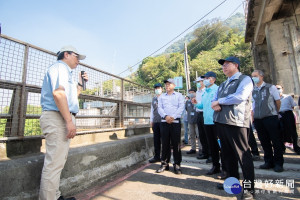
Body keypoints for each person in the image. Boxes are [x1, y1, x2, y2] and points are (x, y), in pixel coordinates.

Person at [39, 45, 88, 200]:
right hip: (57, 117)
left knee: (57, 163)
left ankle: (55, 196)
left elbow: (72, 98)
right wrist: (69, 121)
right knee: (54, 165)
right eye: (76, 56)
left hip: (60, 117)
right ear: (66, 54)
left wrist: (80, 83)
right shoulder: (60, 67)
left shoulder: (67, 72)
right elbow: (58, 94)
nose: (78, 61)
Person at [212, 56, 255, 199]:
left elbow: (240, 96)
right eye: (222, 65)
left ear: (236, 65)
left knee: (243, 155)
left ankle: (249, 189)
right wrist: (216, 102)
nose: (223, 67)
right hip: (221, 122)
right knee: (228, 156)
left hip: (236, 122)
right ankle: (233, 184)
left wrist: (220, 101)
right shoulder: (223, 83)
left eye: (227, 64)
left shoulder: (245, 79)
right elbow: (214, 99)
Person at [252, 70, 284, 173]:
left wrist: (275, 112)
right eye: (252, 76)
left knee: (276, 140)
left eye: (255, 76)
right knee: (264, 141)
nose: (254, 78)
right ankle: (268, 161)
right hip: (258, 118)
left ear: (261, 76)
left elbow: (277, 101)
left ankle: (278, 163)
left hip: (270, 117)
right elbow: (253, 104)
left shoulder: (270, 87)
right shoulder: (253, 89)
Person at [193, 71, 224, 176]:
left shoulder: (218, 89)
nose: (205, 80)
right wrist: (196, 104)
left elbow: (221, 103)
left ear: (213, 79)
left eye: (207, 78)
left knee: (222, 146)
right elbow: (202, 106)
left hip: (217, 121)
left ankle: (225, 168)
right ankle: (215, 166)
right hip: (207, 121)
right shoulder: (205, 91)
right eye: (205, 78)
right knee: (212, 145)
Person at [156, 79, 185, 174]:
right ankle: (164, 164)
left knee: (176, 144)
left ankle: (177, 165)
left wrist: (173, 117)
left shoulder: (179, 95)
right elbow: (159, 108)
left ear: (174, 85)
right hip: (164, 122)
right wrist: (166, 116)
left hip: (175, 122)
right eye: (166, 84)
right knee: (164, 144)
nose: (167, 85)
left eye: (169, 84)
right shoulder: (161, 97)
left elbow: (181, 107)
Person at [276, 84, 300, 155]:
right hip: (278, 115)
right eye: (276, 89)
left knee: (292, 131)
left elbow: (293, 106)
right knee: (280, 132)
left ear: (282, 89)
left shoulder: (288, 97)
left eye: (279, 88)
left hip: (288, 114)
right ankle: (282, 148)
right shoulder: (273, 98)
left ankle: (296, 147)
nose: (277, 90)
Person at [194, 77, 211, 163]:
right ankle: (205, 152)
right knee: (201, 135)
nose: (198, 83)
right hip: (199, 114)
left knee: (208, 134)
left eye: (199, 81)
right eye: (196, 82)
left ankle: (211, 154)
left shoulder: (206, 90)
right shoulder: (197, 92)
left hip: (206, 113)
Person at [149, 83, 163, 163]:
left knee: (164, 140)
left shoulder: (164, 97)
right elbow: (152, 110)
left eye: (159, 88)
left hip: (163, 121)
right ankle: (157, 156)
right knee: (156, 140)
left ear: (162, 89)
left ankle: (164, 157)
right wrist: (151, 120)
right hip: (156, 122)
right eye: (156, 88)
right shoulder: (153, 99)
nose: (157, 89)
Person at [185, 88, 201, 154]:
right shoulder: (187, 102)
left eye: (192, 92)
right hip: (190, 120)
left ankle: (201, 148)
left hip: (197, 120)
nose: (191, 94)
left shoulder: (198, 101)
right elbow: (187, 109)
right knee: (191, 135)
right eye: (190, 92)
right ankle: (193, 148)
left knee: (199, 135)